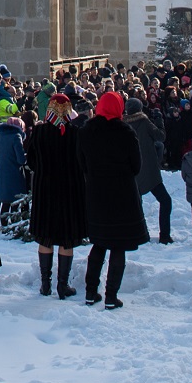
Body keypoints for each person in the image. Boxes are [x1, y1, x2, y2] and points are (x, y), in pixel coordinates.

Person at [77, 91, 147, 309]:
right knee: (118, 245)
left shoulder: (87, 131)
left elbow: (82, 162)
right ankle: (110, 296)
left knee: (99, 242)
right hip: (122, 194)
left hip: (97, 192)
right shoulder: (125, 131)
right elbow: (136, 165)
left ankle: (90, 292)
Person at [26, 93, 86, 298]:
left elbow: (31, 161)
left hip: (46, 189)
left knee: (46, 236)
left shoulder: (40, 132)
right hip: (69, 190)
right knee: (66, 238)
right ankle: (62, 285)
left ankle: (45, 284)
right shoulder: (76, 133)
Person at [123, 97, 173, 246]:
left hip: (132, 171)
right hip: (150, 170)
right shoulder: (144, 122)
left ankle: (139, 234)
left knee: (137, 205)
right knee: (165, 201)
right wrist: (159, 120)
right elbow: (160, 136)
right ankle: (164, 235)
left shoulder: (123, 125)